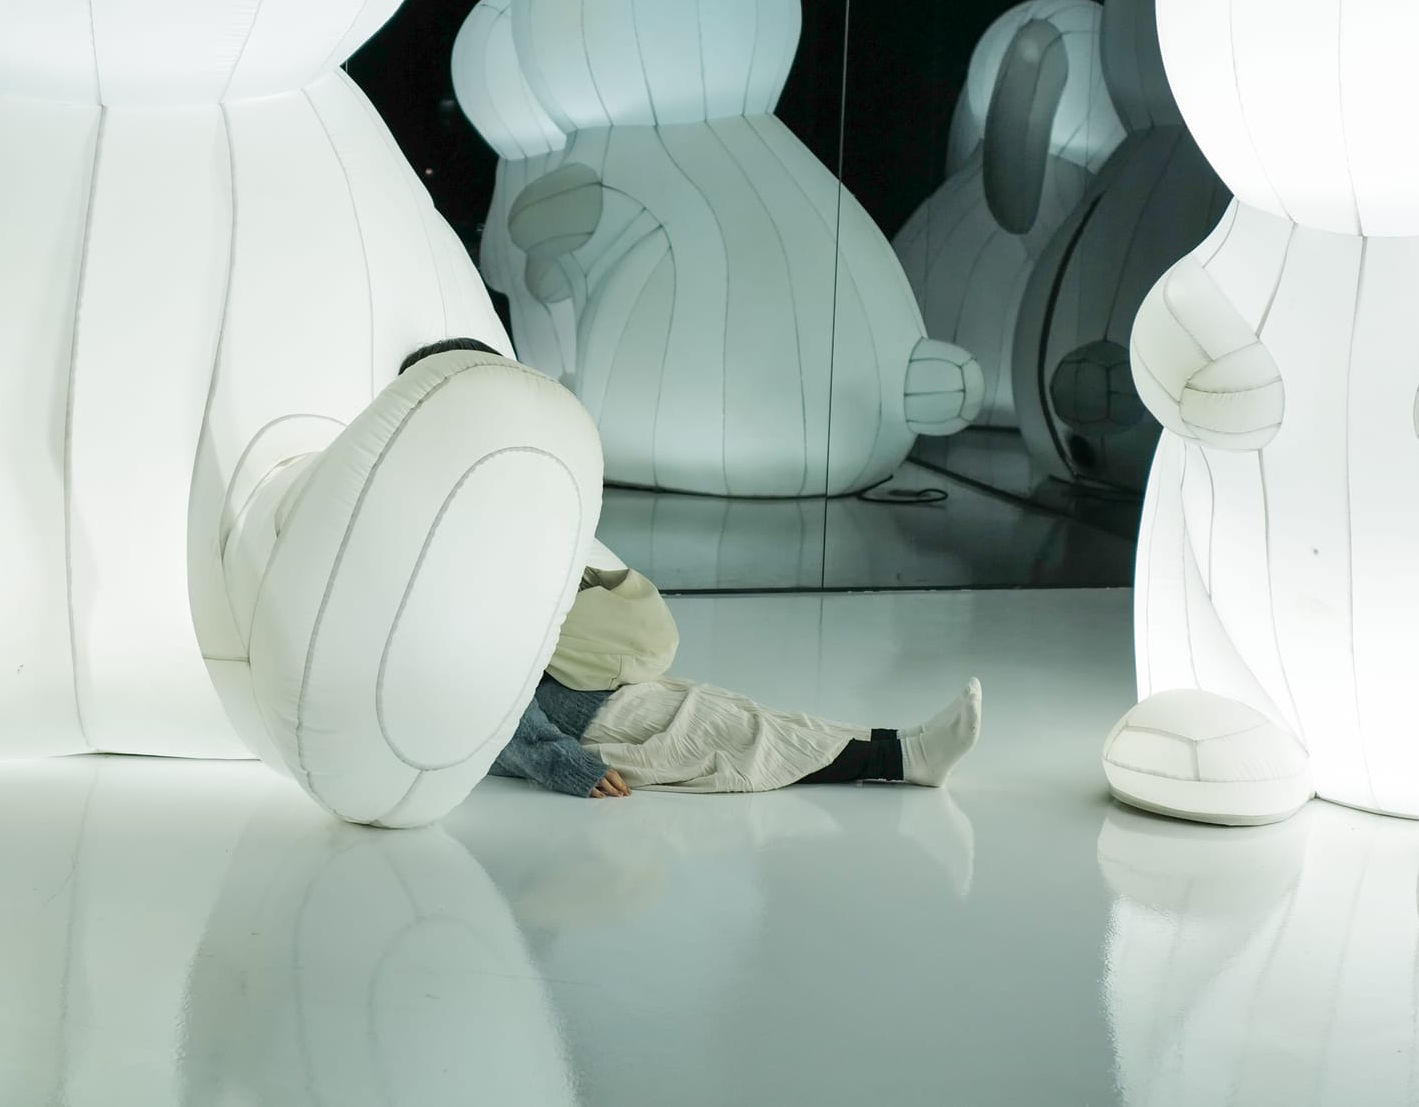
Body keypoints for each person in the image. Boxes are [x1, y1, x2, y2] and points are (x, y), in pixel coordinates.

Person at [399, 340, 984, 800]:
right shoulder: (446, 534)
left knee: (739, 716)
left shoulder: (476, 508)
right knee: (726, 737)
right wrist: (559, 762)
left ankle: (902, 746)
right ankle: (906, 759)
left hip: (578, 694)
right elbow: (487, 674)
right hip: (560, 719)